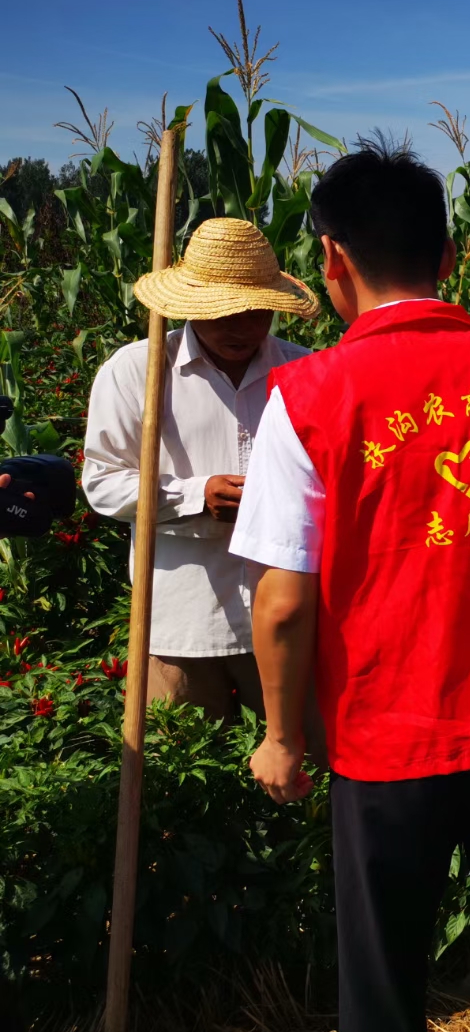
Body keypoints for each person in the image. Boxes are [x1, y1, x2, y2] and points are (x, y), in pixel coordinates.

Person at [232, 142, 470, 1032]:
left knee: (383, 966)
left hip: (386, 731)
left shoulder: (308, 395)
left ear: (332, 259)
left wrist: (282, 736)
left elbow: (282, 599)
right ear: (448, 255)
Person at [83, 217, 325, 761]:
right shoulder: (138, 370)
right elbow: (102, 483)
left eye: (257, 311)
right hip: (182, 618)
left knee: (304, 765)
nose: (242, 326)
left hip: (287, 614)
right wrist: (197, 496)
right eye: (224, 312)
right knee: (181, 770)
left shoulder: (303, 371)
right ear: (191, 306)